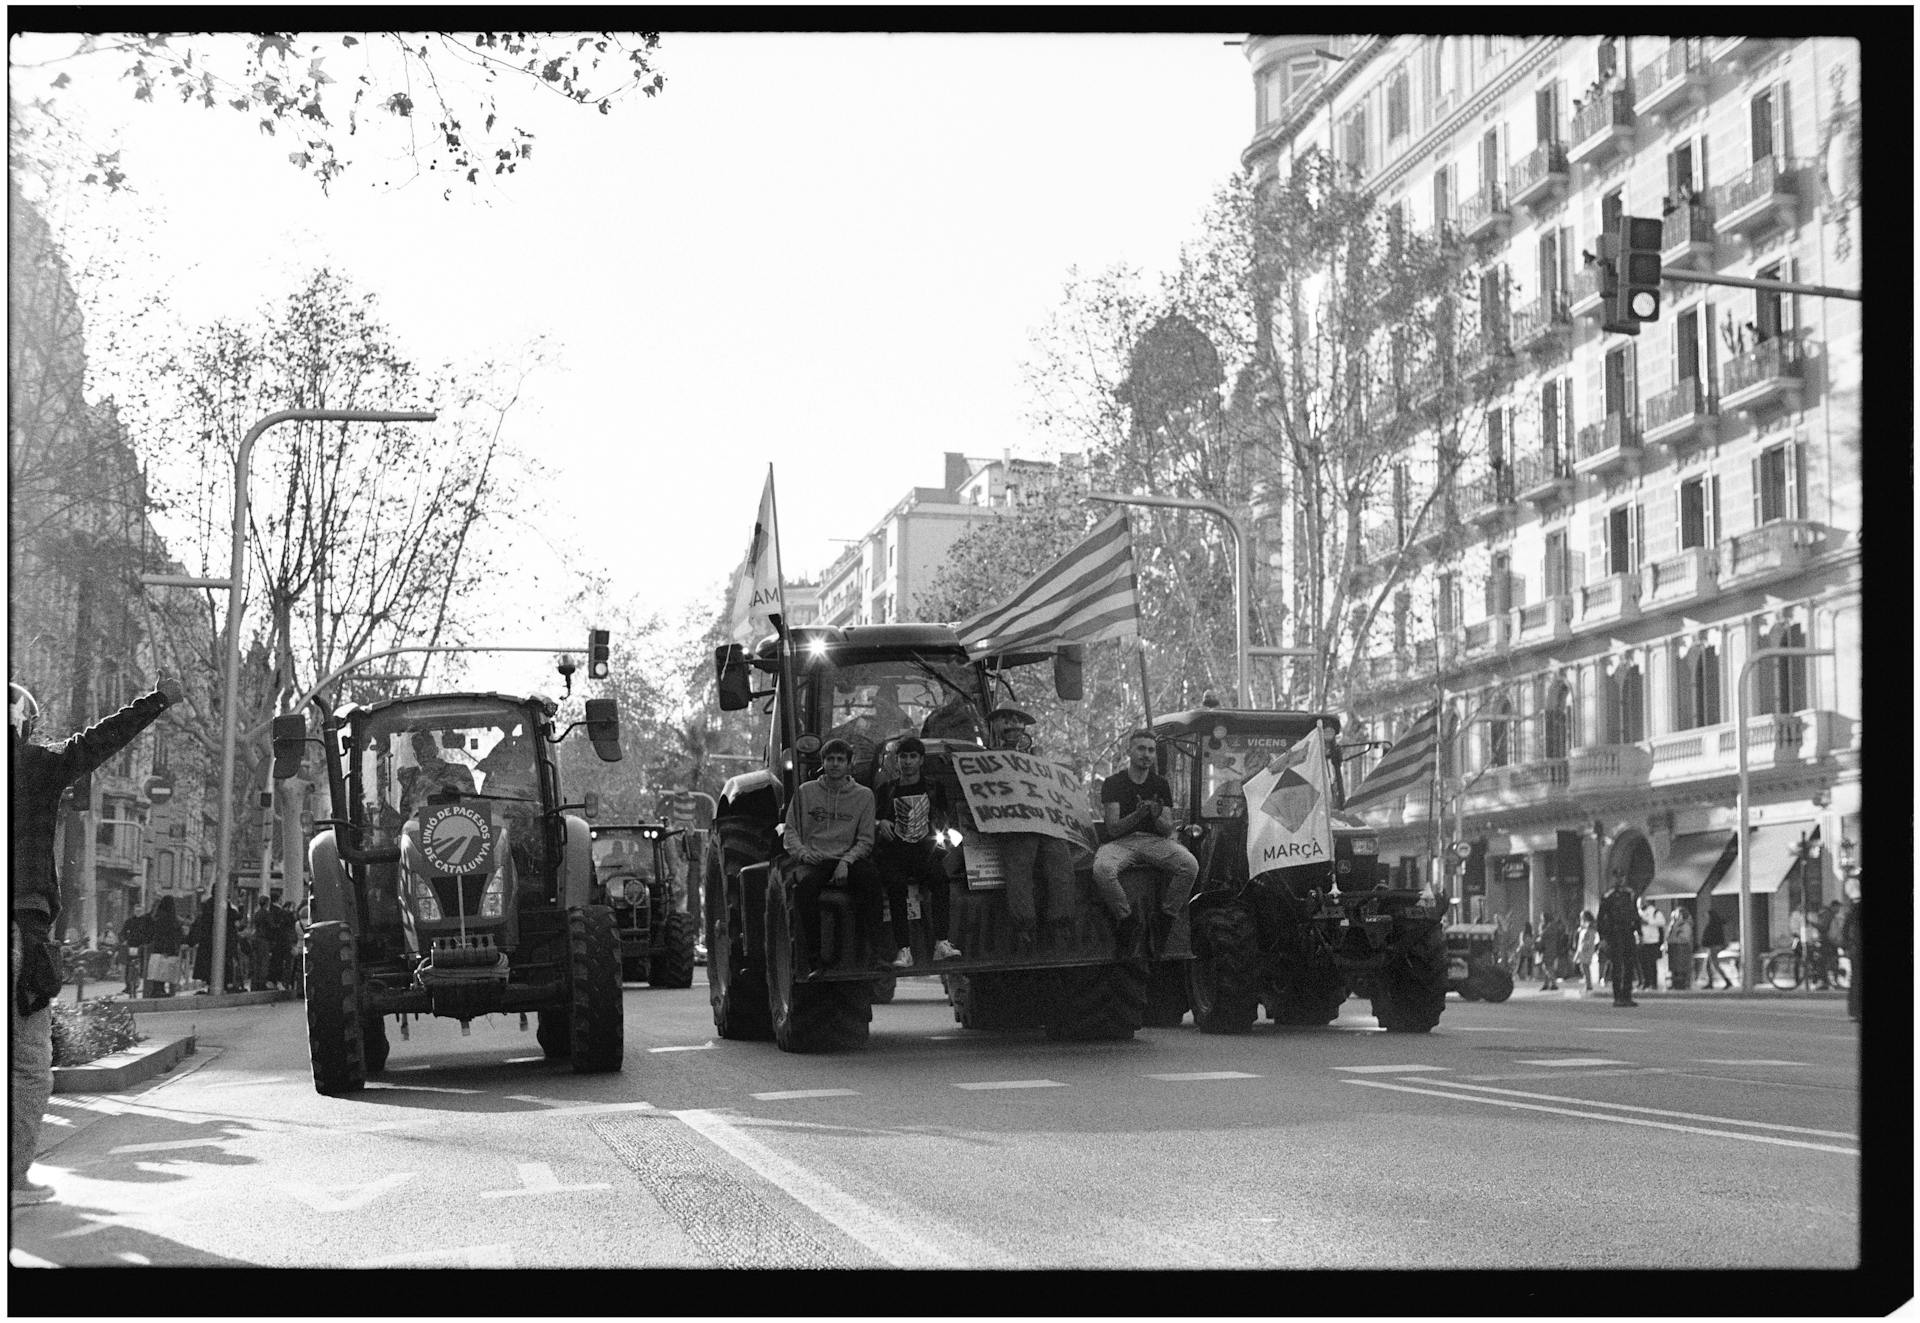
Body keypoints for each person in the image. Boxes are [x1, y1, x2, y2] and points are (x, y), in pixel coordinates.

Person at [11, 676, 179, 1207]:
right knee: (27, 1061)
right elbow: (97, 741)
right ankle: (12, 1179)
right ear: (22, 724)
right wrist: (154, 701)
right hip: (18, 926)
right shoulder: (32, 766)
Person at [975, 707, 1077, 954]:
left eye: (1018, 721)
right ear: (995, 725)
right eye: (1007, 721)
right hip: (1014, 825)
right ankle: (1025, 929)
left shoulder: (1036, 756)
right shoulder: (984, 758)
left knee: (1060, 859)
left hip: (1043, 822)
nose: (1013, 726)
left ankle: (1060, 925)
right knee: (1020, 864)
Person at [782, 738, 887, 975]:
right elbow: (790, 831)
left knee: (871, 881)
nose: (835, 764)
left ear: (850, 764)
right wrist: (803, 853)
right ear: (823, 762)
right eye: (830, 759)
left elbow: (866, 840)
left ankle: (875, 954)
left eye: (840, 760)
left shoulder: (864, 796)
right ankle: (815, 961)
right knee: (805, 889)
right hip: (815, 858)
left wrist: (847, 862)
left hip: (847, 858)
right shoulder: (805, 792)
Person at [1091, 729, 1198, 956]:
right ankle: (1127, 920)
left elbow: (1167, 828)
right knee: (1102, 869)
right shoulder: (1114, 783)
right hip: (1120, 843)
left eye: (1151, 750)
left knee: (1189, 865)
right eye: (1141, 748)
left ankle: (1166, 918)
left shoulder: (1160, 784)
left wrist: (1157, 814)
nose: (1146, 754)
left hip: (1153, 841)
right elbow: (1113, 827)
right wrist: (1139, 815)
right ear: (1129, 751)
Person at [871, 737, 962, 966]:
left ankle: (942, 942)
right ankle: (903, 949)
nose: (908, 762)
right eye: (903, 756)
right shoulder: (885, 790)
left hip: (925, 851)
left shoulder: (933, 787)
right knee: (895, 886)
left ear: (921, 760)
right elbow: (872, 819)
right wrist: (879, 823)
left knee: (941, 880)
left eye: (913, 757)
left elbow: (945, 818)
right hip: (895, 853)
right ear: (897, 760)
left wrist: (943, 844)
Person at [400, 729, 477, 811]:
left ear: (415, 756)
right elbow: (407, 816)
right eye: (423, 753)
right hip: (458, 820)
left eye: (428, 752)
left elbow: (475, 806)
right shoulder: (411, 780)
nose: (425, 754)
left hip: (461, 821)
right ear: (437, 750)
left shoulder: (411, 781)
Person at [1597, 871, 1641, 1007]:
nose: (1620, 880)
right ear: (1614, 879)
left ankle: (1627, 995)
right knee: (1617, 965)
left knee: (1629, 964)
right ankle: (1618, 997)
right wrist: (1603, 937)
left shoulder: (1630, 894)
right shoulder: (1608, 896)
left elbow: (1635, 914)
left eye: (1622, 877)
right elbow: (1601, 918)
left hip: (1628, 932)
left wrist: (1639, 932)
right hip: (1614, 933)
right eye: (1617, 877)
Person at [145, 895, 185, 998]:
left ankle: (158, 989)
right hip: (169, 949)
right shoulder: (171, 919)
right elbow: (174, 934)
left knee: (158, 971)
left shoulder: (157, 917)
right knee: (164, 971)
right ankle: (160, 990)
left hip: (158, 948)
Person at [121, 902, 153, 998]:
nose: (138, 912)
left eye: (140, 911)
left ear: (143, 911)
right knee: (129, 965)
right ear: (134, 911)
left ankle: (143, 983)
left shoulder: (147, 921)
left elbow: (151, 933)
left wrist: (147, 943)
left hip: (143, 947)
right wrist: (124, 940)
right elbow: (122, 932)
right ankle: (128, 985)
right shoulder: (129, 921)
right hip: (132, 946)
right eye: (136, 911)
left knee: (144, 965)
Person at [1699, 906, 1733, 989]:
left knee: (1714, 965)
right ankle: (1711, 982)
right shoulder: (1716, 924)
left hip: (1713, 946)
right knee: (1709, 965)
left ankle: (1726, 981)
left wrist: (1706, 943)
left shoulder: (1713, 925)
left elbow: (1711, 937)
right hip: (1714, 946)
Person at [1637, 897, 1667, 993]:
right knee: (1644, 963)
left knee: (1652, 963)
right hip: (1642, 941)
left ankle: (1653, 983)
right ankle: (1646, 982)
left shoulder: (1655, 912)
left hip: (1653, 941)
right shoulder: (1639, 913)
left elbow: (1662, 922)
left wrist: (1649, 922)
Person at [1536, 912, 1569, 991]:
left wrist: (1539, 937)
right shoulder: (1554, 927)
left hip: (1548, 949)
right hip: (1552, 949)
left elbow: (1543, 936)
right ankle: (1546, 983)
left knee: (1547, 967)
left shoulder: (1549, 928)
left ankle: (1553, 983)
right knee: (1548, 965)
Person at [1665, 904, 1695, 990]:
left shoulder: (1685, 925)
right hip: (1673, 948)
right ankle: (1675, 983)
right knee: (1674, 968)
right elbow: (1668, 936)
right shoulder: (1673, 924)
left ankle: (1683, 983)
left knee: (1682, 967)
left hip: (1682, 948)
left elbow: (1685, 937)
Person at [1572, 910, 1600, 992]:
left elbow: (1589, 939)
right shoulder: (1584, 927)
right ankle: (1587, 983)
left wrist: (1586, 946)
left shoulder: (1590, 928)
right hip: (1583, 949)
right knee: (1583, 967)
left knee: (1585, 967)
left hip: (1586, 950)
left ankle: (1589, 984)